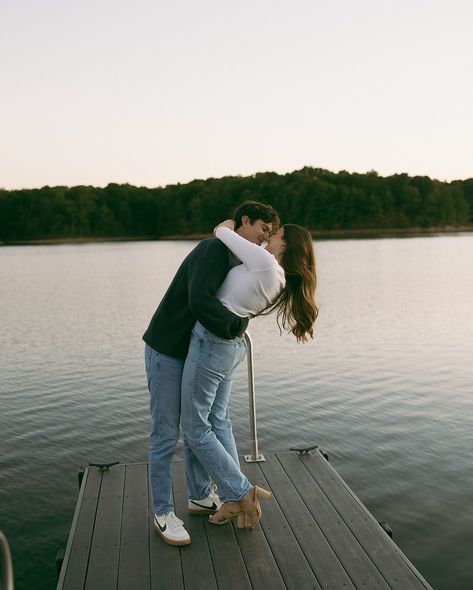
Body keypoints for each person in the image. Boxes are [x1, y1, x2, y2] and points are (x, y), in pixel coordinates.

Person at [143, 201, 279, 546]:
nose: (264, 238)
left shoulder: (234, 254)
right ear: (244, 221)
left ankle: (201, 495)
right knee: (164, 433)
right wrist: (237, 325)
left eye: (269, 234)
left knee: (196, 421)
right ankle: (162, 512)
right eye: (262, 229)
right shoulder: (214, 250)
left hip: (189, 351)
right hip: (166, 349)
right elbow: (199, 300)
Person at [181, 219, 318, 529]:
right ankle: (235, 496)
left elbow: (221, 232)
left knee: (194, 426)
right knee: (217, 420)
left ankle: (241, 493)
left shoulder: (267, 263)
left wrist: (227, 224)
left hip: (211, 345)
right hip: (229, 347)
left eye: (276, 235)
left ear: (284, 246)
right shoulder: (278, 277)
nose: (269, 237)